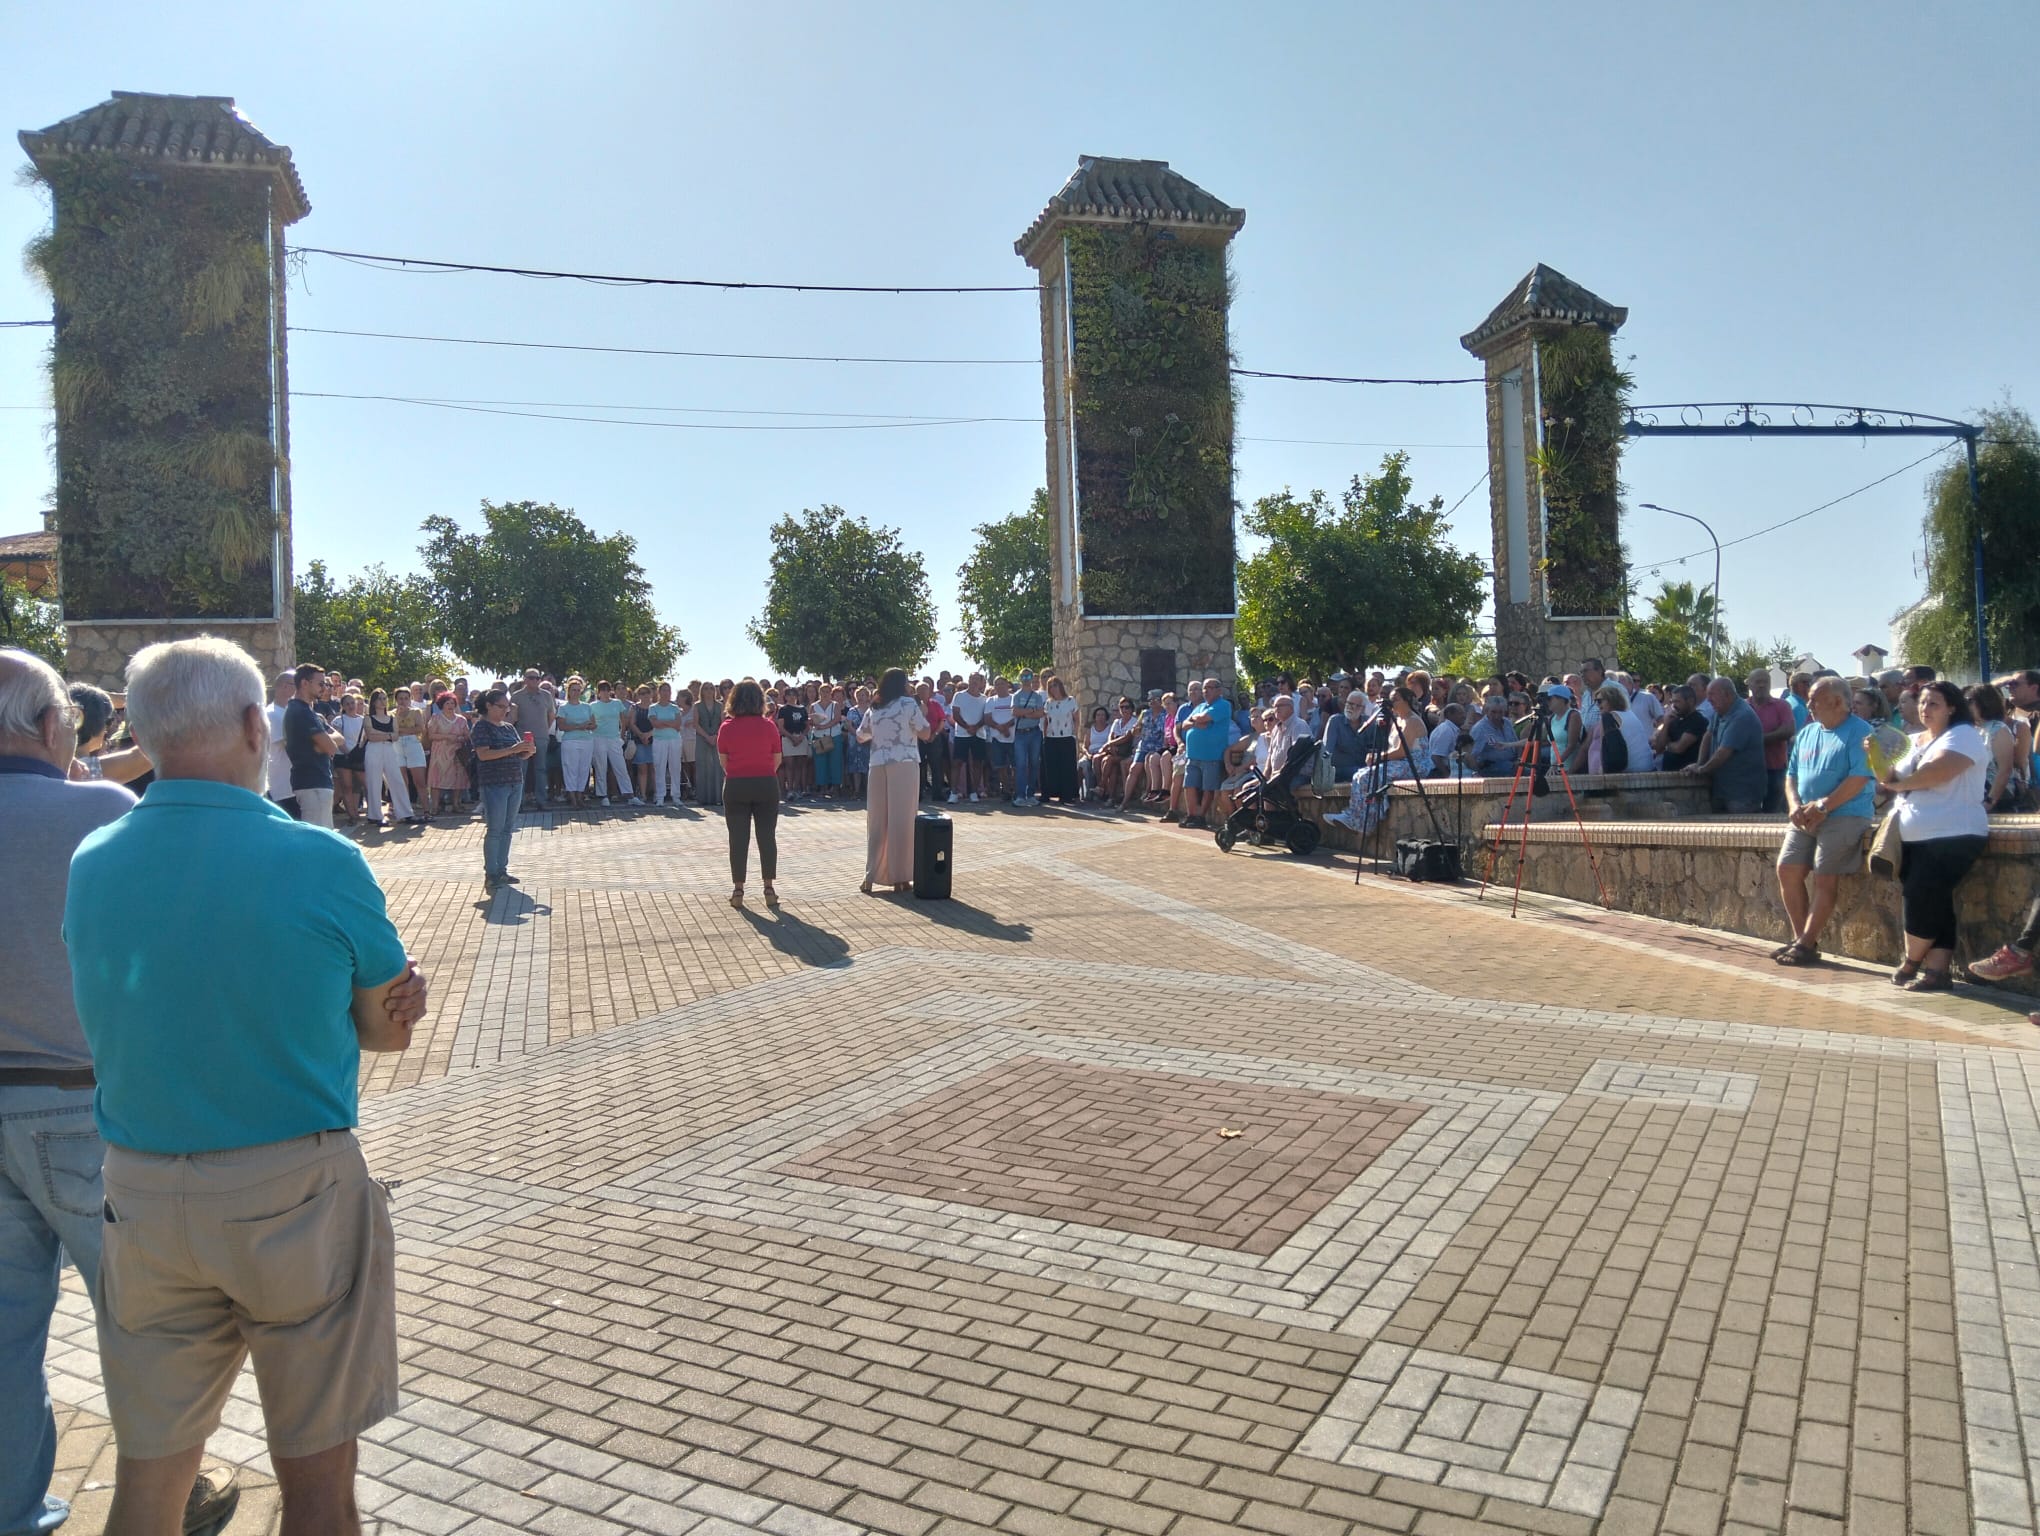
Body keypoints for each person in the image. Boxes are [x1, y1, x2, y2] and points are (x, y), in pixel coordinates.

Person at [64, 637, 427, 1536]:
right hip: (291, 1191)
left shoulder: (94, 857)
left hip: (140, 1189)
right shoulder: (318, 859)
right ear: (253, 724)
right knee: (315, 1487)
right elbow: (384, 1033)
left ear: (144, 734)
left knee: (147, 1483)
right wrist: (384, 1008)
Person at [0, 651, 245, 1536]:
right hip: (79, 1108)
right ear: (47, 724)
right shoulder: (97, 810)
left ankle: (13, 1510)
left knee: (4, 1334)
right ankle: (166, 1502)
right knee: (150, 1324)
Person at [1877, 680, 1991, 990]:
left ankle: (1912, 961)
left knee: (1921, 896)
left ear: (1952, 708)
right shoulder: (1913, 740)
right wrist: (1878, 760)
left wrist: (1897, 786)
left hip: (1954, 833)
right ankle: (1937, 972)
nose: (1925, 709)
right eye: (1923, 703)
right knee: (1936, 900)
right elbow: (1890, 779)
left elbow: (1937, 773)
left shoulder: (1964, 735)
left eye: (1934, 703)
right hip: (1914, 834)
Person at [1772, 677, 1876, 966]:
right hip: (1805, 815)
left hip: (1845, 813)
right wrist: (1793, 804)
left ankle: (1804, 944)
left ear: (1839, 702)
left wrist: (1824, 805)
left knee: (1823, 875)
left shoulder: (1861, 733)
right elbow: (1791, 773)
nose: (1809, 704)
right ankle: (1803, 939)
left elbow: (1859, 778)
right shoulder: (1807, 732)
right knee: (1787, 869)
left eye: (1816, 699)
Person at [857, 669, 931, 894]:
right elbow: (926, 733)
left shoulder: (875, 707)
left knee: (877, 820)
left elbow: (861, 735)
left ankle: (871, 876)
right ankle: (900, 878)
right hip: (904, 762)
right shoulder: (909, 704)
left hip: (878, 763)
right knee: (902, 819)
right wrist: (924, 712)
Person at [717, 679, 783, 909]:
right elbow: (777, 758)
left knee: (737, 839)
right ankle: (769, 888)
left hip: (736, 784)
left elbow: (723, 761)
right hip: (765, 782)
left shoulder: (726, 727)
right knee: (767, 836)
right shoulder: (769, 726)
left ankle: (738, 889)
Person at [471, 688, 536, 891]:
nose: (505, 711)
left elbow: (518, 755)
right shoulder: (481, 727)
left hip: (514, 780)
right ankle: (491, 873)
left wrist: (527, 751)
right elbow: (484, 755)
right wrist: (513, 750)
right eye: (501, 707)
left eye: (507, 707)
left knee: (507, 829)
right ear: (488, 706)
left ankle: (502, 870)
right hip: (494, 783)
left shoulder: (508, 727)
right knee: (495, 829)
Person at [1681, 678, 1768, 813]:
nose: (1708, 700)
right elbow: (1708, 735)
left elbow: (1724, 752)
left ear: (1727, 695)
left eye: (1712, 695)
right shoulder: (1720, 711)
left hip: (1742, 794)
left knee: (1741, 832)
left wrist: (1703, 770)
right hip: (1722, 789)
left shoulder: (1742, 716)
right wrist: (1699, 763)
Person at [282, 662, 342, 828]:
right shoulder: (300, 711)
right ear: (304, 683)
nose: (324, 688)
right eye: (321, 684)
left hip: (316, 781)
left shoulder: (308, 712)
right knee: (320, 838)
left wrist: (321, 744)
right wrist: (323, 744)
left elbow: (338, 739)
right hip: (312, 783)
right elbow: (331, 747)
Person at [1177, 678, 1233, 831]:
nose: (1206, 691)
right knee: (1189, 785)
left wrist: (1197, 720)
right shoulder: (1200, 706)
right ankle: (1192, 815)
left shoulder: (1223, 705)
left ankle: (1200, 817)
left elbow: (1203, 719)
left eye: (1210, 688)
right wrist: (1197, 722)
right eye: (1204, 688)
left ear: (1219, 690)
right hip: (1193, 755)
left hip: (1212, 756)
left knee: (1208, 788)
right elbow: (1184, 725)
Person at [360, 689, 417, 827]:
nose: (383, 701)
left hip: (389, 749)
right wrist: (387, 735)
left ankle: (405, 813)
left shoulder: (392, 718)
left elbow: (395, 735)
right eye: (379, 698)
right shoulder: (368, 718)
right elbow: (371, 736)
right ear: (373, 701)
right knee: (374, 781)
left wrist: (383, 735)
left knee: (397, 779)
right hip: (373, 750)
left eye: (384, 698)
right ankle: (374, 815)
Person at [1969, 682, 2028, 812]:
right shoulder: (1974, 729)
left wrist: (1989, 802)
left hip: (1998, 799)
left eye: (1969, 701)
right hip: (1976, 797)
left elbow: (2005, 770)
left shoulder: (1998, 729)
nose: (1965, 705)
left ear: (1984, 702)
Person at [1746, 669, 1797, 814]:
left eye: (1765, 682)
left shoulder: (1782, 705)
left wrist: (1758, 739)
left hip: (1775, 768)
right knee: (1749, 814)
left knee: (1772, 812)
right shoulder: (1743, 706)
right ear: (1749, 685)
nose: (1762, 685)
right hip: (1748, 769)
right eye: (1757, 682)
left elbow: (1788, 730)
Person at [424, 689, 472, 814]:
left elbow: (467, 735)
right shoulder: (436, 718)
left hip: (457, 753)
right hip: (439, 754)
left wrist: (460, 738)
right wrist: (447, 737)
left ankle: (456, 804)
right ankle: (435, 806)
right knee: (437, 779)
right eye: (447, 703)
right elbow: (431, 735)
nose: (450, 706)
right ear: (441, 705)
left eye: (452, 703)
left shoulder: (461, 720)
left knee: (457, 779)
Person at [264, 669, 300, 819]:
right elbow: (291, 744)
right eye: (296, 685)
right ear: (284, 686)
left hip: (293, 784)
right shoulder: (271, 714)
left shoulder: (289, 712)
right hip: (281, 785)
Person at [555, 677, 596, 810]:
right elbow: (561, 726)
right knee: (570, 769)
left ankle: (580, 796)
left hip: (586, 740)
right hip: (570, 741)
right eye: (574, 690)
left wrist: (588, 726)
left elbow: (594, 724)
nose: (576, 692)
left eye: (579, 690)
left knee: (583, 769)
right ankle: (572, 797)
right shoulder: (563, 707)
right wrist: (579, 726)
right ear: (568, 691)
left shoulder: (587, 707)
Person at [1039, 675, 1080, 805]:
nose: (1053, 689)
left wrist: (1075, 733)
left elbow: (1076, 718)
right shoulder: (1048, 703)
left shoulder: (1070, 701)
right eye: (1050, 687)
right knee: (1050, 767)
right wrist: (1045, 735)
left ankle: (1067, 795)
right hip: (1051, 738)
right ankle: (1048, 794)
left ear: (1060, 686)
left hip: (1066, 737)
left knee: (1067, 767)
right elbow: (1045, 721)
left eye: (1055, 685)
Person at [947, 673, 987, 804]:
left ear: (981, 682)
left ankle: (974, 792)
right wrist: (967, 727)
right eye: (972, 679)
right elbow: (956, 714)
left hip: (979, 735)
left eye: (977, 680)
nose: (974, 682)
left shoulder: (984, 698)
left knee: (977, 764)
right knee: (957, 763)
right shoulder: (959, 695)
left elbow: (985, 716)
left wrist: (976, 727)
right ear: (968, 680)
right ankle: (953, 792)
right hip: (962, 734)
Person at [1010, 669, 1046, 807]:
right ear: (1020, 678)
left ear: (1032, 678)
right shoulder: (1016, 695)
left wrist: (1024, 713)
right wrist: (1030, 712)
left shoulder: (1037, 696)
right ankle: (1020, 795)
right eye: (1024, 676)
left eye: (1029, 676)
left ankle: (1030, 794)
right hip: (1020, 733)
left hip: (1035, 733)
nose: (1026, 678)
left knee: (1034, 763)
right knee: (1020, 764)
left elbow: (1041, 713)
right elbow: (1014, 711)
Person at [393, 684, 430, 815]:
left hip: (413, 744)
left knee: (419, 780)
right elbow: (392, 730)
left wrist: (402, 730)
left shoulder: (416, 712)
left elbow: (420, 729)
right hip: (397, 746)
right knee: (402, 781)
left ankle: (426, 809)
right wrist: (398, 715)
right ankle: (406, 810)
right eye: (400, 698)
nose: (403, 701)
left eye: (405, 698)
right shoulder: (391, 714)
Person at [647, 682, 685, 806]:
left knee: (675, 767)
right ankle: (660, 797)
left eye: (668, 690)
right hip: (659, 740)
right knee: (659, 767)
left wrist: (663, 722)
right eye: (663, 690)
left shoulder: (674, 708)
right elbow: (655, 724)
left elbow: (678, 724)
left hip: (674, 740)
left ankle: (676, 796)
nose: (666, 693)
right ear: (659, 692)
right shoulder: (653, 708)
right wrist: (670, 723)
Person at [332, 691, 368, 823]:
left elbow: (365, 738)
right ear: (343, 706)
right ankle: (352, 815)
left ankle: (373, 812)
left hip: (358, 757)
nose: (351, 706)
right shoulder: (338, 720)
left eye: (352, 702)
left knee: (366, 784)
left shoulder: (363, 719)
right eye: (347, 704)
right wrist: (347, 753)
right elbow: (339, 739)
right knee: (346, 786)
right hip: (343, 757)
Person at [1468, 694, 1522, 778]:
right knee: (1526, 772)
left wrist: (1519, 759)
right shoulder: (1480, 729)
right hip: (1491, 766)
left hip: (1512, 762)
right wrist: (1475, 772)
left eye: (1500, 712)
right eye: (1493, 712)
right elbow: (1472, 754)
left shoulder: (1507, 723)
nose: (1497, 716)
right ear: (1487, 711)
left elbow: (1516, 744)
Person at [691, 682, 726, 809]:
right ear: (702, 691)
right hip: (702, 737)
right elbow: (695, 724)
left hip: (717, 737)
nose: (709, 691)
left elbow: (723, 723)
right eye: (706, 689)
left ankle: (718, 797)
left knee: (718, 766)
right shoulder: (697, 706)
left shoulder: (720, 705)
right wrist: (706, 736)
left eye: (711, 688)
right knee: (703, 766)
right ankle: (703, 798)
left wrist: (716, 736)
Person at [984, 677, 1017, 801]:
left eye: (1002, 684)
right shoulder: (990, 701)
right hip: (997, 738)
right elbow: (987, 718)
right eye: (996, 684)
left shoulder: (1014, 698)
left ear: (1007, 685)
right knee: (1000, 766)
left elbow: (1017, 715)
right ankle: (1006, 790)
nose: (999, 686)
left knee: (1015, 766)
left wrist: (1007, 727)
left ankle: (1016, 789)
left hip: (1013, 737)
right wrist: (1000, 728)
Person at [776, 685, 811, 802]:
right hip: (788, 738)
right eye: (788, 695)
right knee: (789, 765)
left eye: (793, 694)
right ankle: (789, 789)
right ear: (785, 697)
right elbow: (781, 727)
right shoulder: (783, 709)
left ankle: (796, 789)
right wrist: (791, 737)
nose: (791, 697)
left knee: (800, 764)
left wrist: (801, 736)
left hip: (801, 737)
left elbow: (807, 726)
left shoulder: (802, 709)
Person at [810, 685, 844, 800]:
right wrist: (814, 723)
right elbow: (810, 719)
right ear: (819, 692)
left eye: (828, 692)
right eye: (823, 691)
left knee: (835, 762)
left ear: (831, 693)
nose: (825, 694)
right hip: (819, 736)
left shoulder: (835, 705)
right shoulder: (814, 706)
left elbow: (837, 719)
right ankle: (822, 788)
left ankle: (835, 788)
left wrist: (824, 726)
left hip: (834, 735)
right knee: (820, 762)